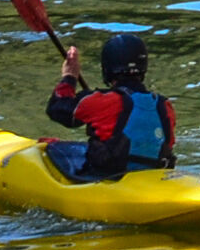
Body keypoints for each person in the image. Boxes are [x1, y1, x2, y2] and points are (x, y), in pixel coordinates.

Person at [45, 32, 176, 181]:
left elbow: (57, 108)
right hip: (154, 176)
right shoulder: (165, 106)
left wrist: (69, 77)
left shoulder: (101, 101)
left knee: (52, 149)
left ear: (107, 68)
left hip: (109, 177)